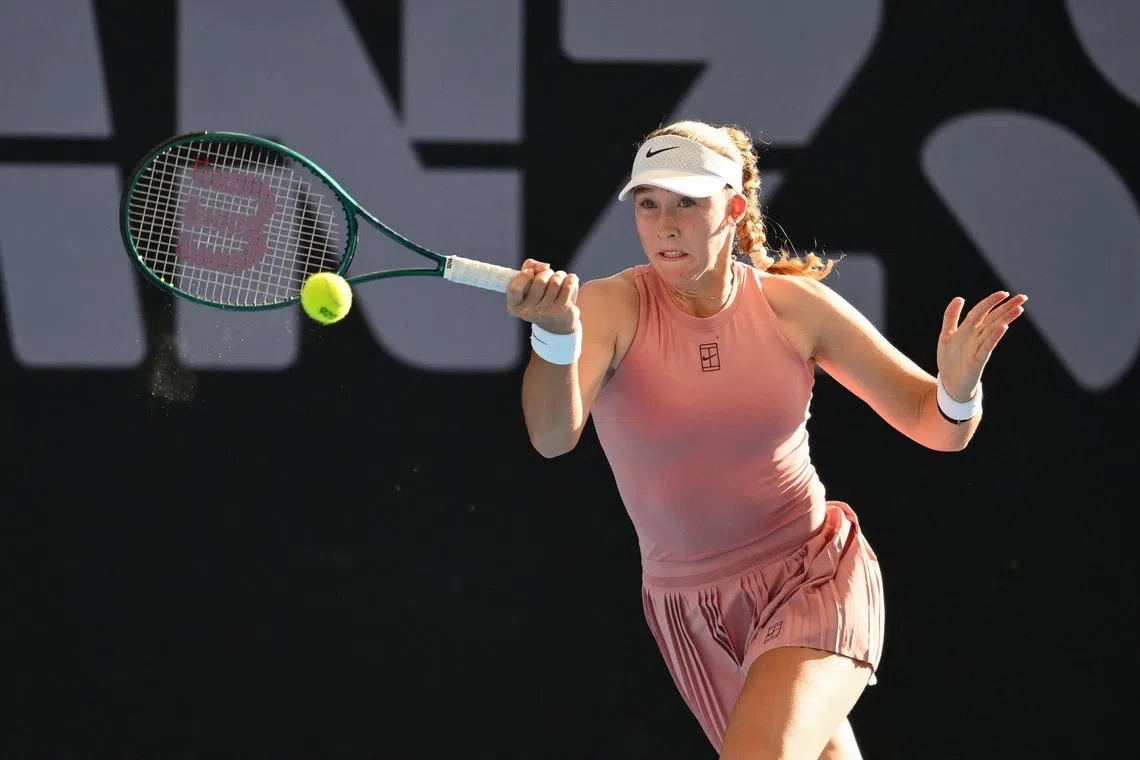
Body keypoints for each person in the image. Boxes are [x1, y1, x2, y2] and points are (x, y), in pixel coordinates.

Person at [505, 119, 1027, 759]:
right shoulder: (610, 305)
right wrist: (556, 338)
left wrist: (957, 388)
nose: (665, 225)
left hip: (813, 576)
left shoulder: (794, 308)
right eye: (649, 204)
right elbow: (553, 436)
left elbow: (939, 428)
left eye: (687, 203)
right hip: (692, 609)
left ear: (732, 206)